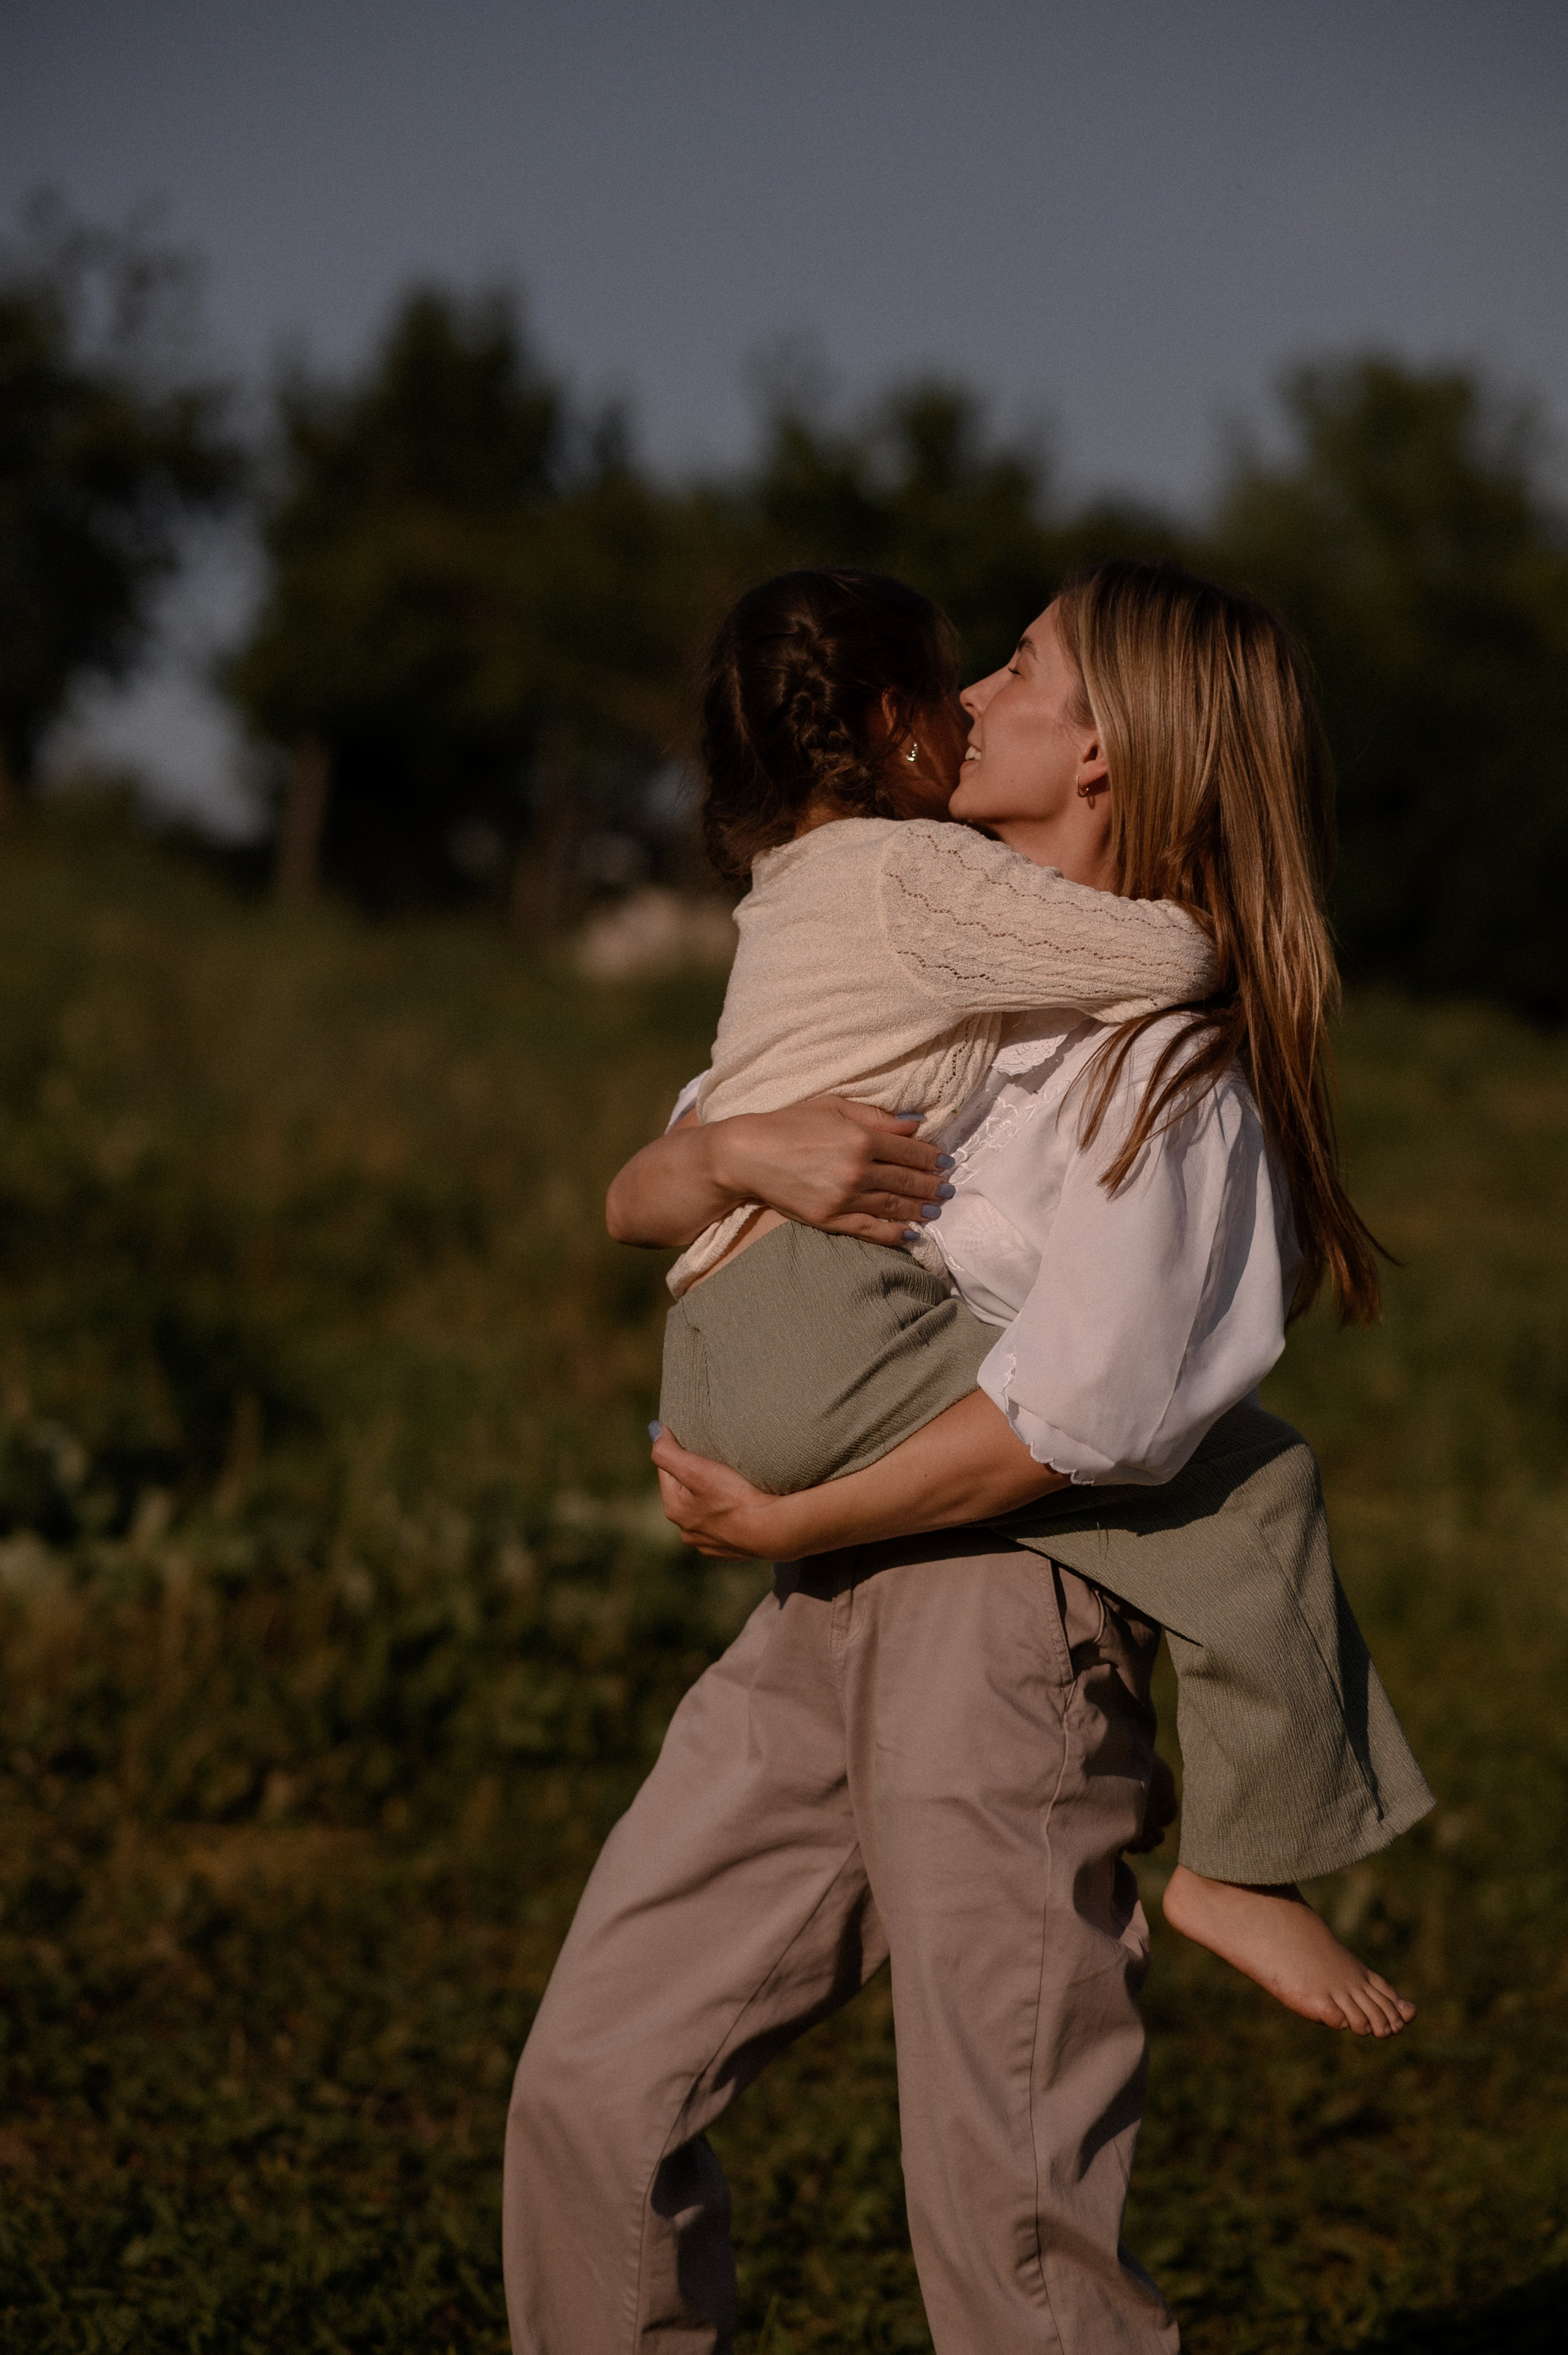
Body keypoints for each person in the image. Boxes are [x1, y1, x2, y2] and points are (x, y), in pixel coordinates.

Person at [502, 564, 1428, 2354]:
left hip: (1002, 1631)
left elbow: (1074, 1417)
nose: (975, 692)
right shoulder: (903, 963)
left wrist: (793, 1505)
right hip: (813, 1615)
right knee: (591, 2089)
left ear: (1105, 753)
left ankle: (1251, 1849)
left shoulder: (1164, 1071)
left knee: (1012, 2230)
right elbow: (646, 1182)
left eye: (1020, 666)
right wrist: (736, 1157)